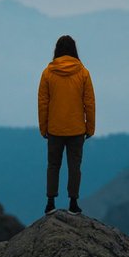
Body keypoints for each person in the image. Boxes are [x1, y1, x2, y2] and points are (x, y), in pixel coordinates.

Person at [37, 34, 96, 214]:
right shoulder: (83, 73)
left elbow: (42, 102)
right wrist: (90, 128)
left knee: (53, 165)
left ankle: (50, 203)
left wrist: (43, 127)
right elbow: (89, 103)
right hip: (77, 129)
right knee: (74, 167)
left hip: (54, 128)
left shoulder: (48, 73)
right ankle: (73, 203)